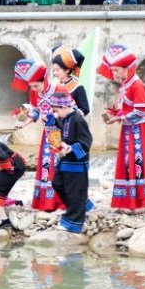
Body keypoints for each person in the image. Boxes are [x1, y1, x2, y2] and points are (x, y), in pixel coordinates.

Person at [97, 44, 145, 211]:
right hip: (130, 129)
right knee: (128, 162)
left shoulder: (137, 85)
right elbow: (127, 108)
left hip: (140, 130)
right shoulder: (126, 83)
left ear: (127, 68)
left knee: (136, 162)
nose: (114, 74)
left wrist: (119, 117)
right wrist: (116, 115)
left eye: (116, 70)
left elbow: (140, 110)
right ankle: (128, 200)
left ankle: (138, 201)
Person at [12, 59, 61, 212]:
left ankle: (58, 201)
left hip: (60, 133)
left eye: (36, 85)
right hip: (47, 133)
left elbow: (71, 110)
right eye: (31, 86)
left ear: (44, 79)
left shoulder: (58, 89)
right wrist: (23, 123)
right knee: (46, 165)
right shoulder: (34, 93)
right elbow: (35, 111)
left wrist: (56, 116)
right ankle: (46, 202)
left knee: (57, 165)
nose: (33, 89)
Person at [48, 91, 94, 233]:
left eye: (56, 111)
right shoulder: (63, 118)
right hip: (65, 160)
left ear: (63, 108)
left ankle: (73, 222)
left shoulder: (78, 119)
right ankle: (82, 205)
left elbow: (87, 140)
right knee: (57, 183)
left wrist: (72, 148)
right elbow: (58, 131)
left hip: (77, 162)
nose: (55, 114)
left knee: (74, 191)